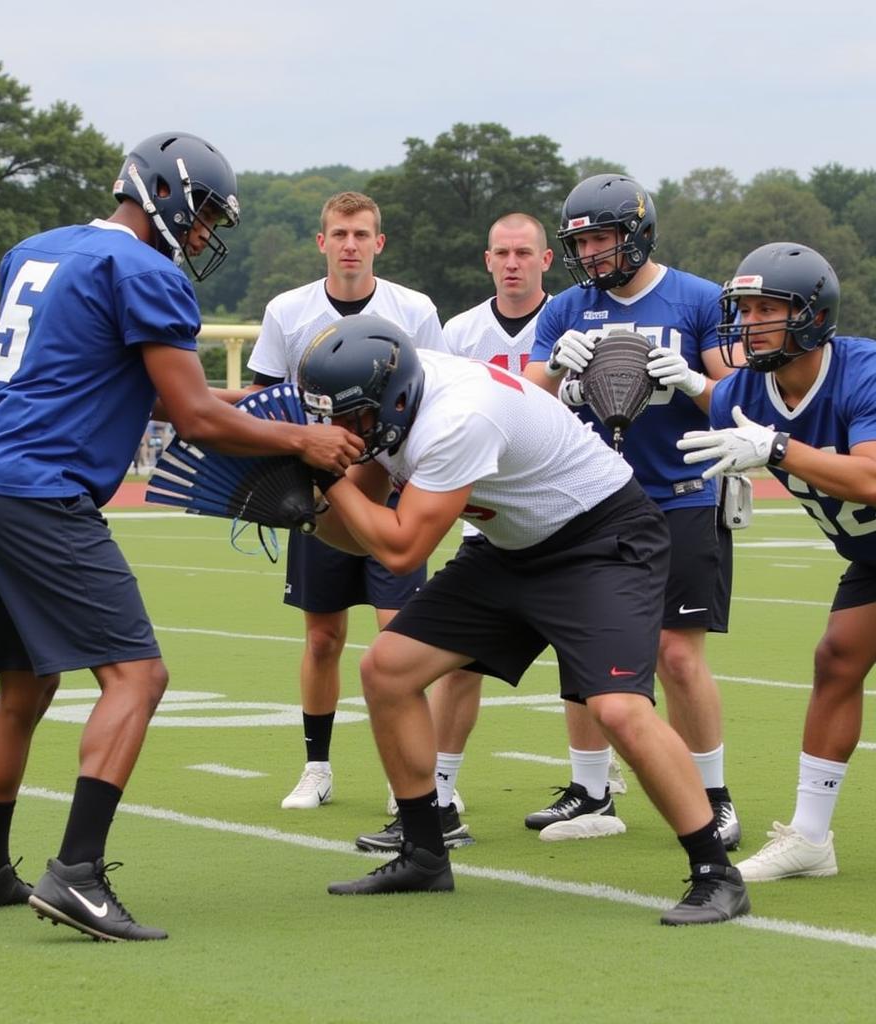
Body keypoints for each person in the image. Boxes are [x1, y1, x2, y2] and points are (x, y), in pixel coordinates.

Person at [0, 131, 362, 943]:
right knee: (138, 676)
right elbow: (194, 416)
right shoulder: (145, 270)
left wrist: (266, 405)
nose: (202, 236)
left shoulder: (38, 251)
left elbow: (153, 391)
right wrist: (301, 441)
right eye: (200, 216)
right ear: (162, 193)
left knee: (24, 687)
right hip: (38, 489)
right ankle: (78, 874)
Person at [300, 315, 748, 925]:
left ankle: (716, 872)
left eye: (349, 419)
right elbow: (356, 531)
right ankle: (425, 852)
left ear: (395, 396)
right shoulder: (397, 403)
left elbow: (401, 550)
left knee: (617, 707)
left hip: (601, 540)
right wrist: (305, 507)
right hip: (512, 546)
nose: (340, 432)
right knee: (387, 669)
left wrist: (328, 479)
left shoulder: (457, 416)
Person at [523, 174, 741, 848]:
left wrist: (697, 382)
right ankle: (591, 790)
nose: (590, 253)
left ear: (638, 232)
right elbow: (525, 403)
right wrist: (557, 374)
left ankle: (715, 794)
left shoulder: (699, 299)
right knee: (581, 646)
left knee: (677, 656)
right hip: (592, 501)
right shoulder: (565, 308)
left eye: (602, 238)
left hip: (682, 493)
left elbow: (740, 410)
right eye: (580, 240)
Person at [355, 211, 553, 853]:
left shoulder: (573, 316)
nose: (513, 261)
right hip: (481, 508)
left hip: (558, 505)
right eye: (502, 251)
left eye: (525, 250)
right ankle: (439, 795)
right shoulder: (461, 330)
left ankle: (597, 783)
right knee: (457, 658)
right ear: (487, 259)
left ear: (546, 259)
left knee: (602, 676)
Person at [678, 241, 875, 882]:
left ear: (813, 316)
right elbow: (722, 407)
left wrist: (779, 447)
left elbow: (871, 479)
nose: (752, 322)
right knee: (837, 657)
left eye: (769, 308)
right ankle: (811, 839)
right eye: (746, 307)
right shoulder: (743, 392)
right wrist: (686, 385)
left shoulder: (863, 370)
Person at [245, 191, 447, 811]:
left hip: (396, 491)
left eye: (362, 234)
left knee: (399, 639)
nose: (351, 244)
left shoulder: (413, 309)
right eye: (340, 234)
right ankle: (317, 766)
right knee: (323, 638)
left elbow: (440, 396)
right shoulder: (288, 310)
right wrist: (287, 488)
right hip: (322, 493)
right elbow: (267, 404)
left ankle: (409, 774)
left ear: (379, 242)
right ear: (322, 241)